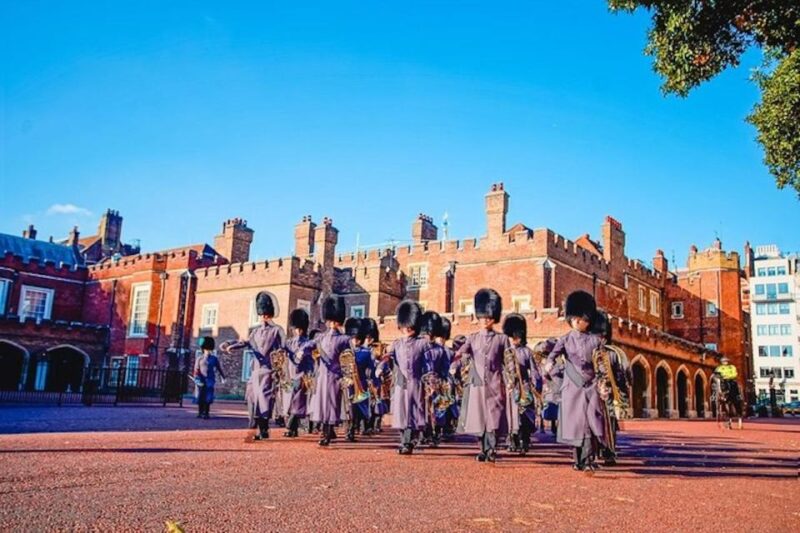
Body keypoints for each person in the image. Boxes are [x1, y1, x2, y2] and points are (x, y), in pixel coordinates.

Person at [545, 290, 607, 472]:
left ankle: (587, 460)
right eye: (577, 318)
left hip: (591, 386)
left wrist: (603, 385)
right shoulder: (564, 340)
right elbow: (552, 356)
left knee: (589, 423)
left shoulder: (595, 341)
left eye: (583, 319)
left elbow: (601, 365)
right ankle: (578, 460)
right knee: (576, 424)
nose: (579, 322)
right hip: (572, 386)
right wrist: (551, 367)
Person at [455, 288, 511, 463]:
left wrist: (511, 380)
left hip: (495, 382)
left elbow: (509, 361)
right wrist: (456, 362)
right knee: (479, 418)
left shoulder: (502, 339)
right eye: (482, 317)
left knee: (493, 417)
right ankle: (482, 449)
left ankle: (492, 449)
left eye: (488, 317)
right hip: (477, 383)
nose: (485, 320)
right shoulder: (472, 338)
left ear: (493, 318)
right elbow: (461, 353)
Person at [220, 292, 283, 441]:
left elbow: (282, 349)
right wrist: (231, 346)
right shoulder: (255, 331)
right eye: (261, 315)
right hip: (255, 370)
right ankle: (254, 429)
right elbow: (245, 342)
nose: (263, 318)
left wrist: (278, 369)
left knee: (264, 401)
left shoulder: (277, 331)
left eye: (265, 315)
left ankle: (264, 428)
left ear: (270, 315)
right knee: (252, 401)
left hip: (268, 371)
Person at [381, 300, 430, 455]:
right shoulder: (397, 343)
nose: (407, 328)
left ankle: (408, 442)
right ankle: (405, 441)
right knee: (402, 414)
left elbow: (428, 363)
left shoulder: (422, 343)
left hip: (416, 382)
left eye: (410, 325)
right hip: (401, 383)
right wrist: (380, 366)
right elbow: (387, 357)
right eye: (405, 325)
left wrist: (431, 379)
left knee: (413, 412)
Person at [309, 296, 351, 446]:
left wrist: (347, 377)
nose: (332, 324)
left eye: (334, 321)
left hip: (335, 376)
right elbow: (310, 345)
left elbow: (348, 359)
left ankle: (326, 433)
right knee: (322, 404)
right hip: (322, 376)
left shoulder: (344, 339)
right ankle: (327, 431)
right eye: (330, 321)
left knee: (331, 405)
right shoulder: (320, 337)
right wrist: (302, 351)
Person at [502, 313, 541, 455]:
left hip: (524, 387)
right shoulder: (506, 352)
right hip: (510, 388)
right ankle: (512, 440)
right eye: (512, 336)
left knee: (525, 417)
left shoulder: (527, 352)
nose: (514, 339)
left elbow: (535, 371)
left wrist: (537, 387)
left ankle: (524, 440)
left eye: (516, 336)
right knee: (511, 416)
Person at [418, 311, 450, 447]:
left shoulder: (440, 350)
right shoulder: (419, 347)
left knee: (437, 411)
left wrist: (441, 381)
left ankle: (435, 434)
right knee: (421, 409)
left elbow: (444, 367)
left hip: (436, 383)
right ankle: (422, 434)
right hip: (422, 382)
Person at [283, 309, 315, 438]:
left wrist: (303, 350)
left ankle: (290, 426)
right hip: (290, 375)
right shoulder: (289, 342)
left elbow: (313, 345)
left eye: (299, 329)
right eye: (296, 329)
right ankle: (293, 429)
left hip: (302, 376)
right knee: (289, 402)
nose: (297, 331)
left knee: (297, 402)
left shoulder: (307, 342)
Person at [194, 336, 225, 419]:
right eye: (207, 349)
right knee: (201, 397)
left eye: (209, 349)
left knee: (208, 397)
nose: (208, 351)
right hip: (201, 379)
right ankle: (200, 412)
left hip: (210, 380)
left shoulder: (214, 359)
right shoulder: (199, 358)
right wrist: (197, 379)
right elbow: (196, 370)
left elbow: (219, 368)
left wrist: (223, 377)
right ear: (203, 349)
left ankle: (206, 413)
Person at [537, 338, 561, 436]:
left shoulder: (559, 359)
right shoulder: (546, 359)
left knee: (557, 407)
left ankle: (556, 427)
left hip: (557, 384)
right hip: (549, 385)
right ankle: (552, 426)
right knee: (550, 406)